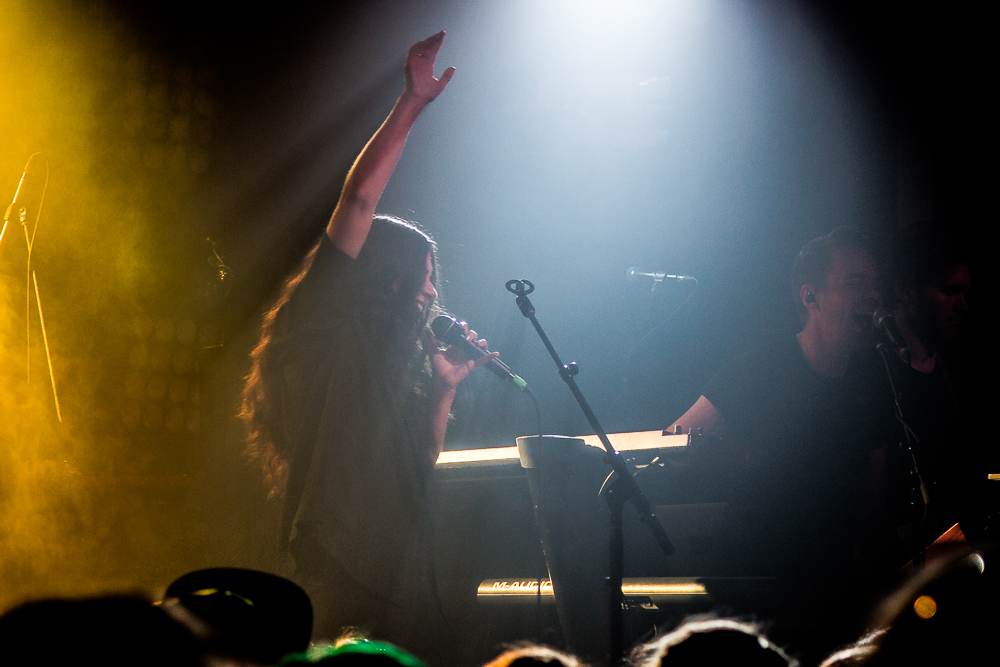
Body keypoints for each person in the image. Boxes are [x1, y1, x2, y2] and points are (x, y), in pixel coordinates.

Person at [241, 32, 494, 649]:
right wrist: (411, 104)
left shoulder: (395, 365)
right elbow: (358, 201)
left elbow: (421, 462)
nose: (432, 292)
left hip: (400, 568)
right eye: (423, 276)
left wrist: (442, 391)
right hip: (335, 562)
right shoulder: (326, 321)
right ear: (385, 275)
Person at [668, 227, 900, 612]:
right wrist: (735, 459)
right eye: (855, 282)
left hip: (829, 587)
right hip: (751, 585)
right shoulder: (760, 369)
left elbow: (871, 511)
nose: (873, 296)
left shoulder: (872, 384)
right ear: (810, 296)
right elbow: (671, 442)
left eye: (876, 284)